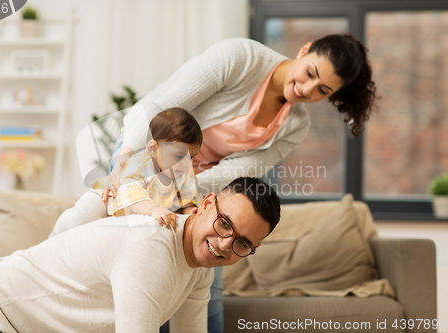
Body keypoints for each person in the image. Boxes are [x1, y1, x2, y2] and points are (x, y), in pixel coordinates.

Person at [105, 35, 378, 332]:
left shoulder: (296, 126)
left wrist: (179, 192)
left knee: (208, 292)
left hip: (198, 189)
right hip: (143, 150)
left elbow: (237, 172)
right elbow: (161, 108)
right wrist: (127, 168)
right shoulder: (241, 58)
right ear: (304, 49)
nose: (307, 89)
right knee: (145, 268)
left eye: (322, 90)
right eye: (310, 73)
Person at [0, 177, 281, 333]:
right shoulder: (152, 245)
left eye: (241, 243)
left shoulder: (199, 269)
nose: (224, 245)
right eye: (224, 224)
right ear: (206, 204)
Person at [49, 108, 203, 239]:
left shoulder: (184, 172)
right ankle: (52, 240)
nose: (186, 163)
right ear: (153, 149)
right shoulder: (139, 164)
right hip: (107, 200)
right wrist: (154, 210)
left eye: (191, 157)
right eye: (178, 156)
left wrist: (191, 212)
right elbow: (130, 193)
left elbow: (188, 199)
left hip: (125, 218)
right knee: (77, 220)